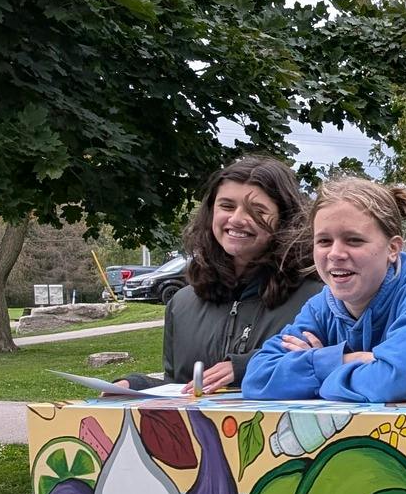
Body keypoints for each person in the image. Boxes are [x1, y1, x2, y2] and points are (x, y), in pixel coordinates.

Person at [241, 178, 406, 403]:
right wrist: (344, 359)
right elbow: (257, 378)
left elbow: (395, 380)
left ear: (393, 248)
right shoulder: (321, 307)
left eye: (354, 240)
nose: (335, 254)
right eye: (324, 241)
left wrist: (307, 371)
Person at [120, 155, 320, 393]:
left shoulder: (318, 299)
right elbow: (181, 390)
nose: (237, 219)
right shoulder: (181, 304)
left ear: (285, 219)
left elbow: (330, 375)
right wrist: (137, 386)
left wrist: (246, 366)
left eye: (257, 210)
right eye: (226, 206)